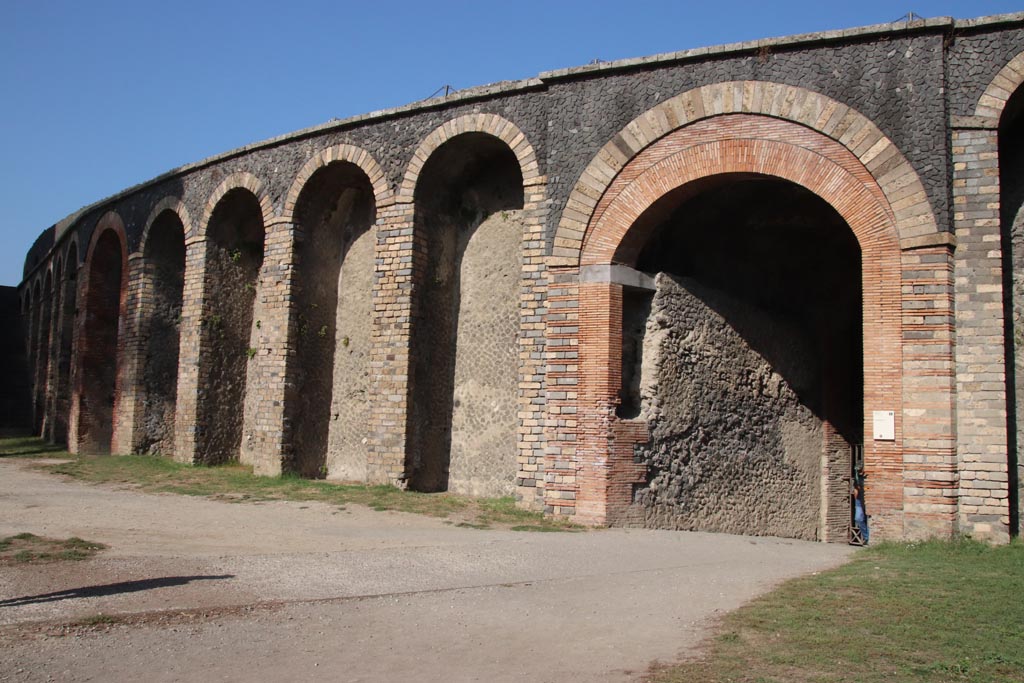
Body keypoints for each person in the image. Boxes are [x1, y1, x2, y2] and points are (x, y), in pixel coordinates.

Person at [851, 469, 869, 546]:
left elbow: (870, 488)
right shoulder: (857, 476)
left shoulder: (869, 476)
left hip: (868, 499)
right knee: (858, 518)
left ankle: (869, 538)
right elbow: (855, 489)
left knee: (869, 519)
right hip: (859, 500)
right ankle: (867, 537)